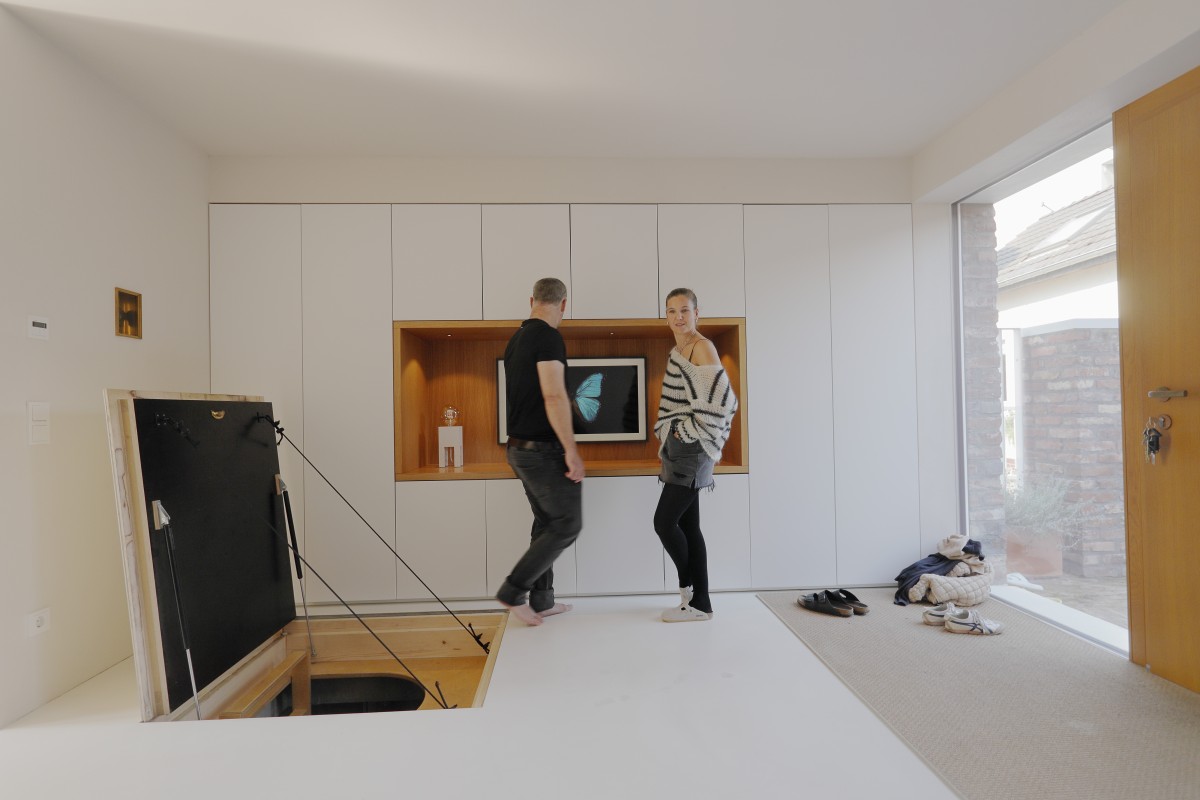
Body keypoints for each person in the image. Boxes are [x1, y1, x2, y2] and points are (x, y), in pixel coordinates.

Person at [495, 277, 585, 626]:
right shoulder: (548, 337)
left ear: (531, 300)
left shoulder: (517, 338)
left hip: (519, 449)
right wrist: (571, 450)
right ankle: (513, 591)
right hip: (541, 451)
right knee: (567, 524)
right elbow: (554, 395)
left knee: (547, 523)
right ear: (564, 304)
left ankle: (543, 600)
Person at [653, 288, 738, 622]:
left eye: (685, 310)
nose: (678, 317)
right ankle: (698, 602)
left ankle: (692, 593)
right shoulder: (679, 350)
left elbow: (723, 403)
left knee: (664, 522)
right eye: (672, 311)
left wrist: (684, 431)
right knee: (689, 526)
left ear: (697, 313)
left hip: (693, 450)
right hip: (680, 451)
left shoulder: (703, 347)